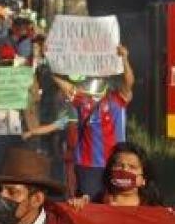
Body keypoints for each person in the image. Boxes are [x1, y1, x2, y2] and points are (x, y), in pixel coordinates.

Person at [52, 45, 134, 199]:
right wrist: (52, 64)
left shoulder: (116, 100)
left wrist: (124, 58)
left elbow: (129, 83)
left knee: (114, 203)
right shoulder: (83, 100)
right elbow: (65, 86)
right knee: (89, 206)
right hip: (87, 165)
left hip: (114, 163)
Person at [68, 142, 163, 208]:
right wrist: (77, 207)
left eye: (132, 167)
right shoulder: (95, 204)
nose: (125, 170)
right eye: (118, 165)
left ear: (143, 179)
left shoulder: (155, 213)